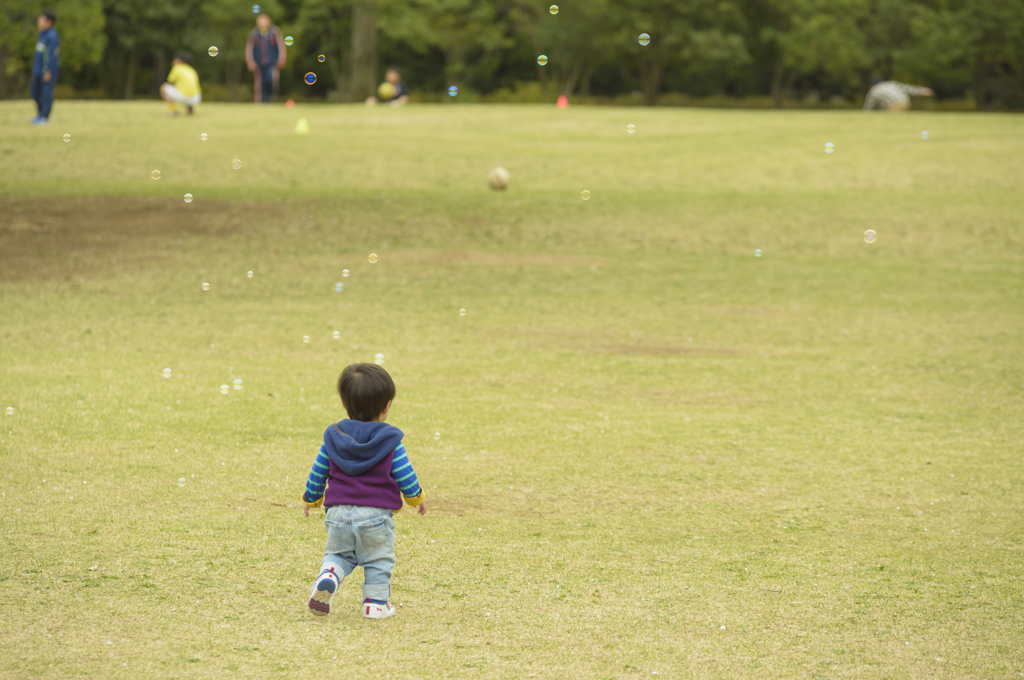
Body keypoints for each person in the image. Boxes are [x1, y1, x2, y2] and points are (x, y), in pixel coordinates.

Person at [301, 363, 426, 619]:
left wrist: (311, 500)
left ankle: (329, 576)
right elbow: (406, 476)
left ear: (345, 405)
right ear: (387, 406)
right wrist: (416, 498)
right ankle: (375, 604)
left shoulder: (333, 437)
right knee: (378, 560)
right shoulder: (390, 441)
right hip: (375, 518)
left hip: (336, 515)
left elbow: (318, 472)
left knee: (338, 554)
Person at [245, 13, 287, 103]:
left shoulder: (274, 32)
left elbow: (281, 46)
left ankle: (271, 99)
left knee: (272, 81)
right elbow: (249, 48)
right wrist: (250, 61)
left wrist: (281, 58)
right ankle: (260, 102)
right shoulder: (255, 33)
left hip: (272, 63)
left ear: (269, 21)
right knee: (259, 84)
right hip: (258, 64)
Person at [30, 9, 59, 125]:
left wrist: (48, 70)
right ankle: (39, 115)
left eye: (41, 20)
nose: (39, 22)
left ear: (49, 22)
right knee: (34, 92)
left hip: (46, 72)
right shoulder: (42, 35)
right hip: (37, 70)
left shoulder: (52, 36)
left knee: (46, 94)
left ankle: (44, 117)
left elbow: (52, 55)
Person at [863, 78, 933, 111]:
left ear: (871, 85)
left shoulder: (874, 90)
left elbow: (869, 105)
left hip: (894, 104)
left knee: (890, 121)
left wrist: (865, 114)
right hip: (906, 101)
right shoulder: (891, 84)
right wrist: (922, 90)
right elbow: (908, 89)